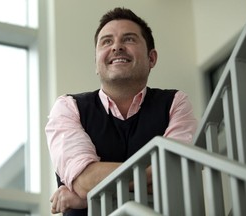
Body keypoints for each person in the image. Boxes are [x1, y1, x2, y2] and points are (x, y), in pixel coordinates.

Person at [45, 7, 197, 216]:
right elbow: (84, 180)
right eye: (107, 41)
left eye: (129, 39)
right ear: (96, 63)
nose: (117, 46)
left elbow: (176, 174)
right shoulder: (68, 108)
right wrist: (152, 175)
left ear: (151, 58)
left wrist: (87, 196)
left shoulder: (175, 103)